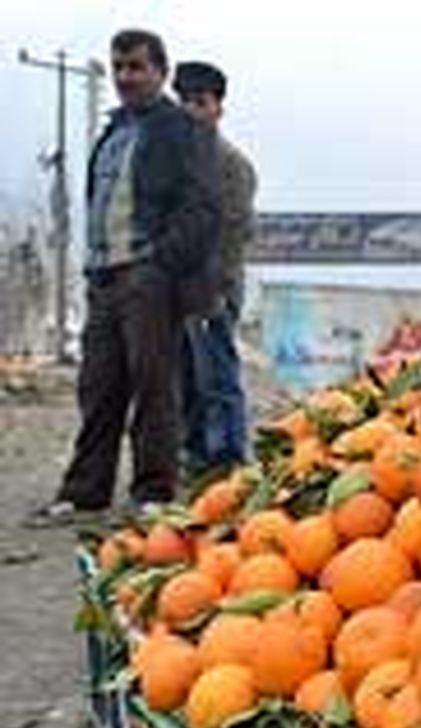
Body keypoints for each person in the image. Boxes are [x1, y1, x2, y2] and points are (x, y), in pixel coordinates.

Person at [31, 30, 220, 524]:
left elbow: (202, 208)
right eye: (118, 67)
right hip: (104, 277)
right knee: (98, 387)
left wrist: (160, 264)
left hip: (148, 276)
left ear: (160, 71)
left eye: (136, 67)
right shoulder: (113, 132)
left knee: (153, 384)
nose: (125, 77)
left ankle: (154, 491)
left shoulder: (181, 129)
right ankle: (85, 491)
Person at [172, 61, 257, 481]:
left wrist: (215, 288)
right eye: (183, 101)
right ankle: (196, 452)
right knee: (186, 375)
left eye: (200, 102)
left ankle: (228, 458)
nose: (191, 110)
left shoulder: (231, 165)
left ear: (218, 108)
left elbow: (235, 232)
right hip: (179, 290)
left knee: (218, 376)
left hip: (214, 290)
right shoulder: (172, 164)